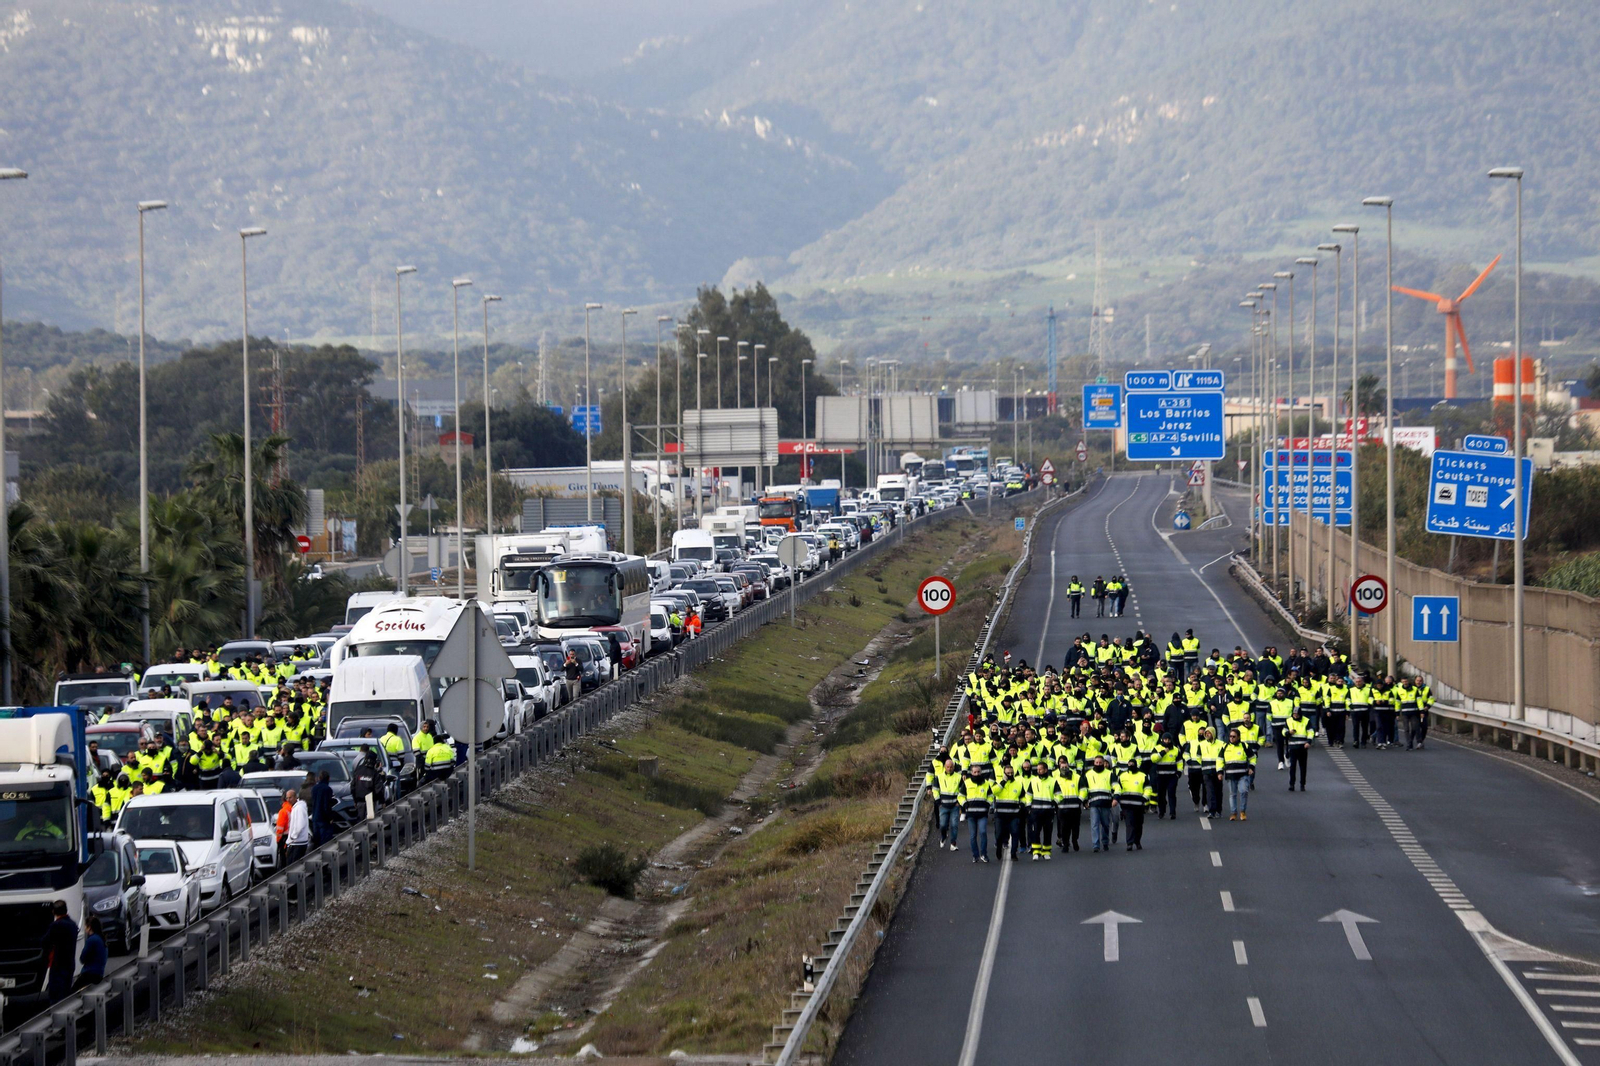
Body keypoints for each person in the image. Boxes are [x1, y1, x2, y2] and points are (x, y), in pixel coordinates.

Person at [924, 758, 963, 851]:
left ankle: (953, 843)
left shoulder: (958, 777)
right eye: (947, 767)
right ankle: (943, 836)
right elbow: (936, 790)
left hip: (954, 806)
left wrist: (959, 802)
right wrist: (938, 802)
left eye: (951, 767)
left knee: (954, 825)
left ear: (953, 767)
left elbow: (962, 791)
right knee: (943, 825)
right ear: (944, 767)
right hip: (943, 805)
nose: (949, 769)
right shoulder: (939, 777)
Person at [43, 900, 77, 1003]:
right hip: (70, 963)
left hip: (58, 964)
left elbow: (45, 942)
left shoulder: (56, 925)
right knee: (66, 993)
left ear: (53, 912)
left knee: (55, 995)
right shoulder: (73, 925)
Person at [959, 768, 992, 864]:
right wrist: (964, 804)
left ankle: (984, 854)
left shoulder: (986, 783)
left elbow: (990, 796)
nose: (977, 774)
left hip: (982, 813)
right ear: (971, 773)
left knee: (982, 832)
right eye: (975, 772)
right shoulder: (967, 783)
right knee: (973, 836)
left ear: (981, 772)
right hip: (971, 814)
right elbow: (960, 796)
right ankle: (975, 855)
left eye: (978, 772)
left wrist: (988, 803)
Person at [1084, 755, 1115, 852]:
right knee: (1094, 824)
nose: (1098, 764)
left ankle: (1105, 842)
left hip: (1106, 802)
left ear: (1104, 763)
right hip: (1093, 803)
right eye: (1096, 762)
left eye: (1100, 763)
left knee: (1105, 824)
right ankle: (1096, 845)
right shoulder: (1088, 774)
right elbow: (1084, 789)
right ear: (1094, 763)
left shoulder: (1110, 774)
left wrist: (1116, 798)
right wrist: (1085, 801)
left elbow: (1116, 787)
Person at [1222, 728, 1253, 821]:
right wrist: (1219, 772)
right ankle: (1233, 813)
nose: (1231, 738)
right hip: (1230, 775)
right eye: (1230, 736)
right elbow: (1220, 760)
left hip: (1242, 774)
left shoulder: (1244, 746)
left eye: (1233, 736)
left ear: (1238, 737)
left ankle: (1242, 812)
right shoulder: (1225, 746)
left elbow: (1252, 757)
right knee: (1232, 794)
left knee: (1243, 791)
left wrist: (1251, 767)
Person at [1285, 708, 1314, 791]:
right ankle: (1292, 784)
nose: (1295, 716)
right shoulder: (1288, 721)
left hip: (1302, 747)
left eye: (1297, 714)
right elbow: (1283, 731)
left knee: (1303, 767)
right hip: (1293, 747)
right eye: (1294, 714)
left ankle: (1302, 784)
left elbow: (1310, 732)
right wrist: (1288, 733)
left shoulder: (1306, 721)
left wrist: (1308, 742)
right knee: (1292, 767)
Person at [76, 915, 107, 989]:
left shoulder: (91, 940)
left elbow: (83, 958)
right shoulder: (101, 939)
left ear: (89, 927)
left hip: (89, 973)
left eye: (85, 926)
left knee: (72, 993)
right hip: (99, 973)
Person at [284, 789, 311, 864]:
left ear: (295, 797)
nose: (288, 800)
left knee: (293, 867)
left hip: (297, 843)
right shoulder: (296, 807)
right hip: (297, 842)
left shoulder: (299, 808)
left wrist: (293, 836)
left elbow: (299, 825)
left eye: (290, 797)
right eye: (287, 798)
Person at [309, 770, 335, 846]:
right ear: (328, 778)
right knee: (325, 842)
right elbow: (326, 805)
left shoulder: (314, 788)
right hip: (324, 819)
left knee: (317, 841)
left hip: (315, 818)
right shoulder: (327, 789)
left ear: (319, 778)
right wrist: (330, 817)